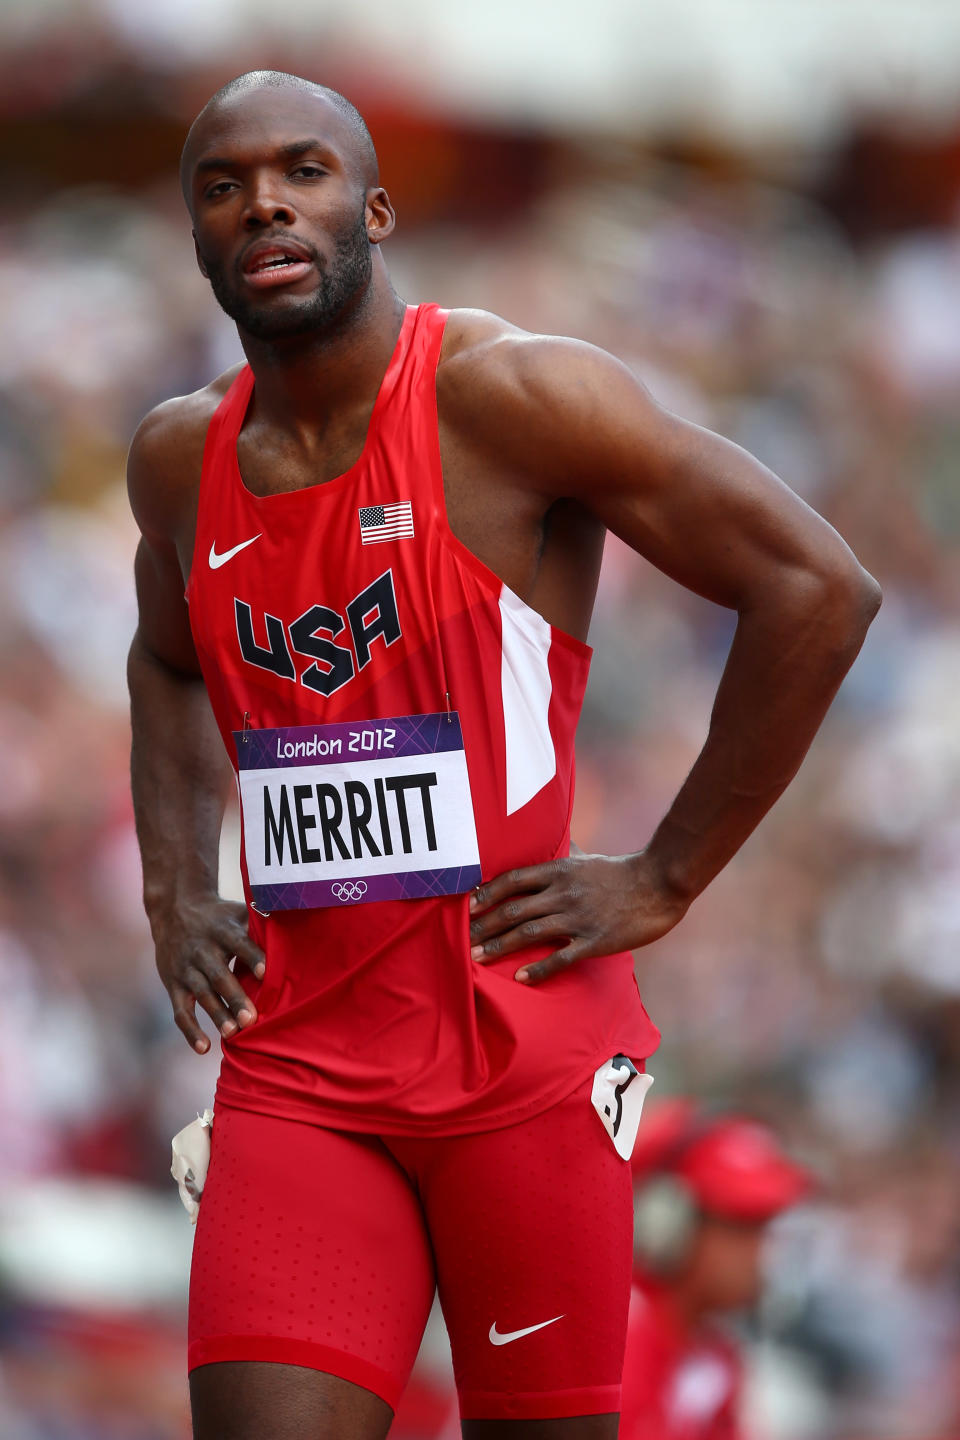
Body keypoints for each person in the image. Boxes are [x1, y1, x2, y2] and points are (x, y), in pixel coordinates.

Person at [126, 69, 880, 1440]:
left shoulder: (509, 397)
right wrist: (175, 887)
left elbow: (816, 590)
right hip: (300, 1061)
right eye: (223, 185)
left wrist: (666, 876)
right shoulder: (180, 461)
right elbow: (166, 662)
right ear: (196, 236)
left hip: (518, 1057)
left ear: (378, 206)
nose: (265, 203)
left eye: (304, 170)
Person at [620, 1101, 813, 1440]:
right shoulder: (617, 1345)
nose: (762, 1252)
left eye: (766, 1229)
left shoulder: (717, 1357)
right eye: (743, 1227)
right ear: (667, 1225)